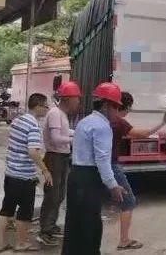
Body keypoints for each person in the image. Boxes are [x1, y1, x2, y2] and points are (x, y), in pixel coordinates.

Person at [62, 82, 126, 255]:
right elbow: (102, 160)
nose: (117, 112)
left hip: (76, 175)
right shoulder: (102, 126)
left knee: (74, 225)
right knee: (90, 226)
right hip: (88, 179)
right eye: (116, 107)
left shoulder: (85, 122)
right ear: (106, 106)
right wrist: (113, 185)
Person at [108, 92, 166, 251]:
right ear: (126, 107)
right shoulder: (119, 122)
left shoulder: (104, 119)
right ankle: (124, 240)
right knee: (128, 202)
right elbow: (144, 134)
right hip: (111, 165)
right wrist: (163, 123)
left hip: (97, 165)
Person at [0, 93, 52, 253]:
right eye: (46, 106)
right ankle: (21, 243)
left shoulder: (18, 120)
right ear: (39, 106)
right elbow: (33, 152)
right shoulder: (33, 125)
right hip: (24, 176)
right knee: (25, 212)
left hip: (10, 173)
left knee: (6, 209)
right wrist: (45, 170)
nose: (47, 109)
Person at [37, 81, 81, 246]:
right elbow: (56, 138)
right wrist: (75, 138)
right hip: (54, 157)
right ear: (68, 98)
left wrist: (77, 132)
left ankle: (51, 225)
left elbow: (64, 132)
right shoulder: (55, 113)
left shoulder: (61, 114)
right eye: (76, 98)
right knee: (53, 195)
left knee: (60, 194)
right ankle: (45, 230)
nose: (78, 102)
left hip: (61, 157)